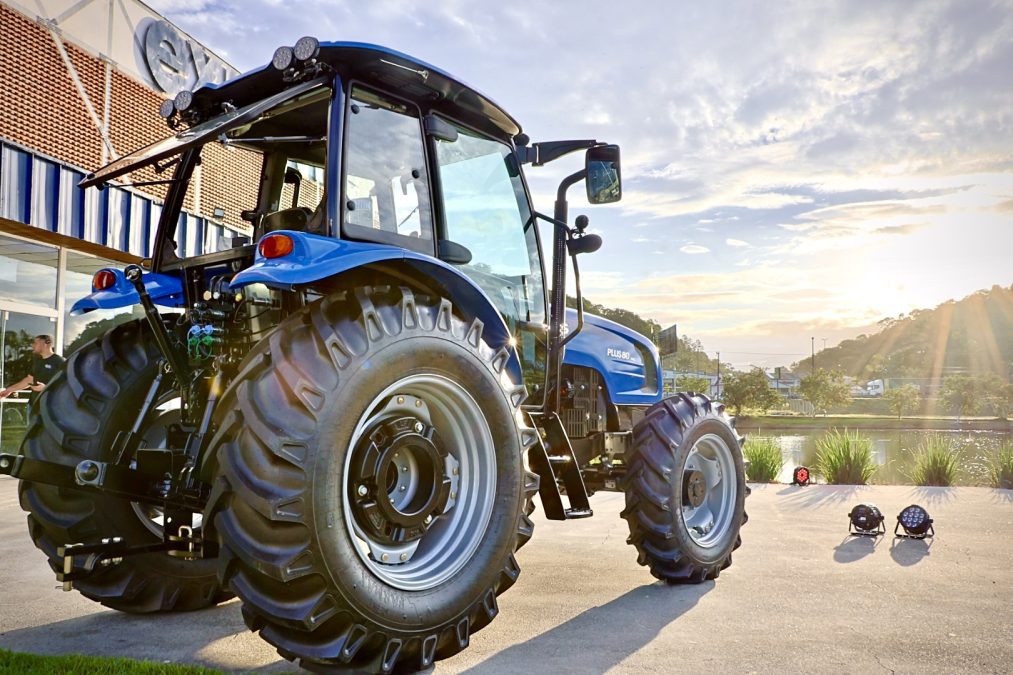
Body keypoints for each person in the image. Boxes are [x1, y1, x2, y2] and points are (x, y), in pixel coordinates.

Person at [0, 334, 66, 406]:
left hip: (49, 407)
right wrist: (9, 390)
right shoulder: (38, 361)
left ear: (46, 343)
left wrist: (45, 388)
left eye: (36, 343)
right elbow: (29, 380)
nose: (33, 345)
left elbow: (67, 384)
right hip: (33, 405)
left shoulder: (60, 361)